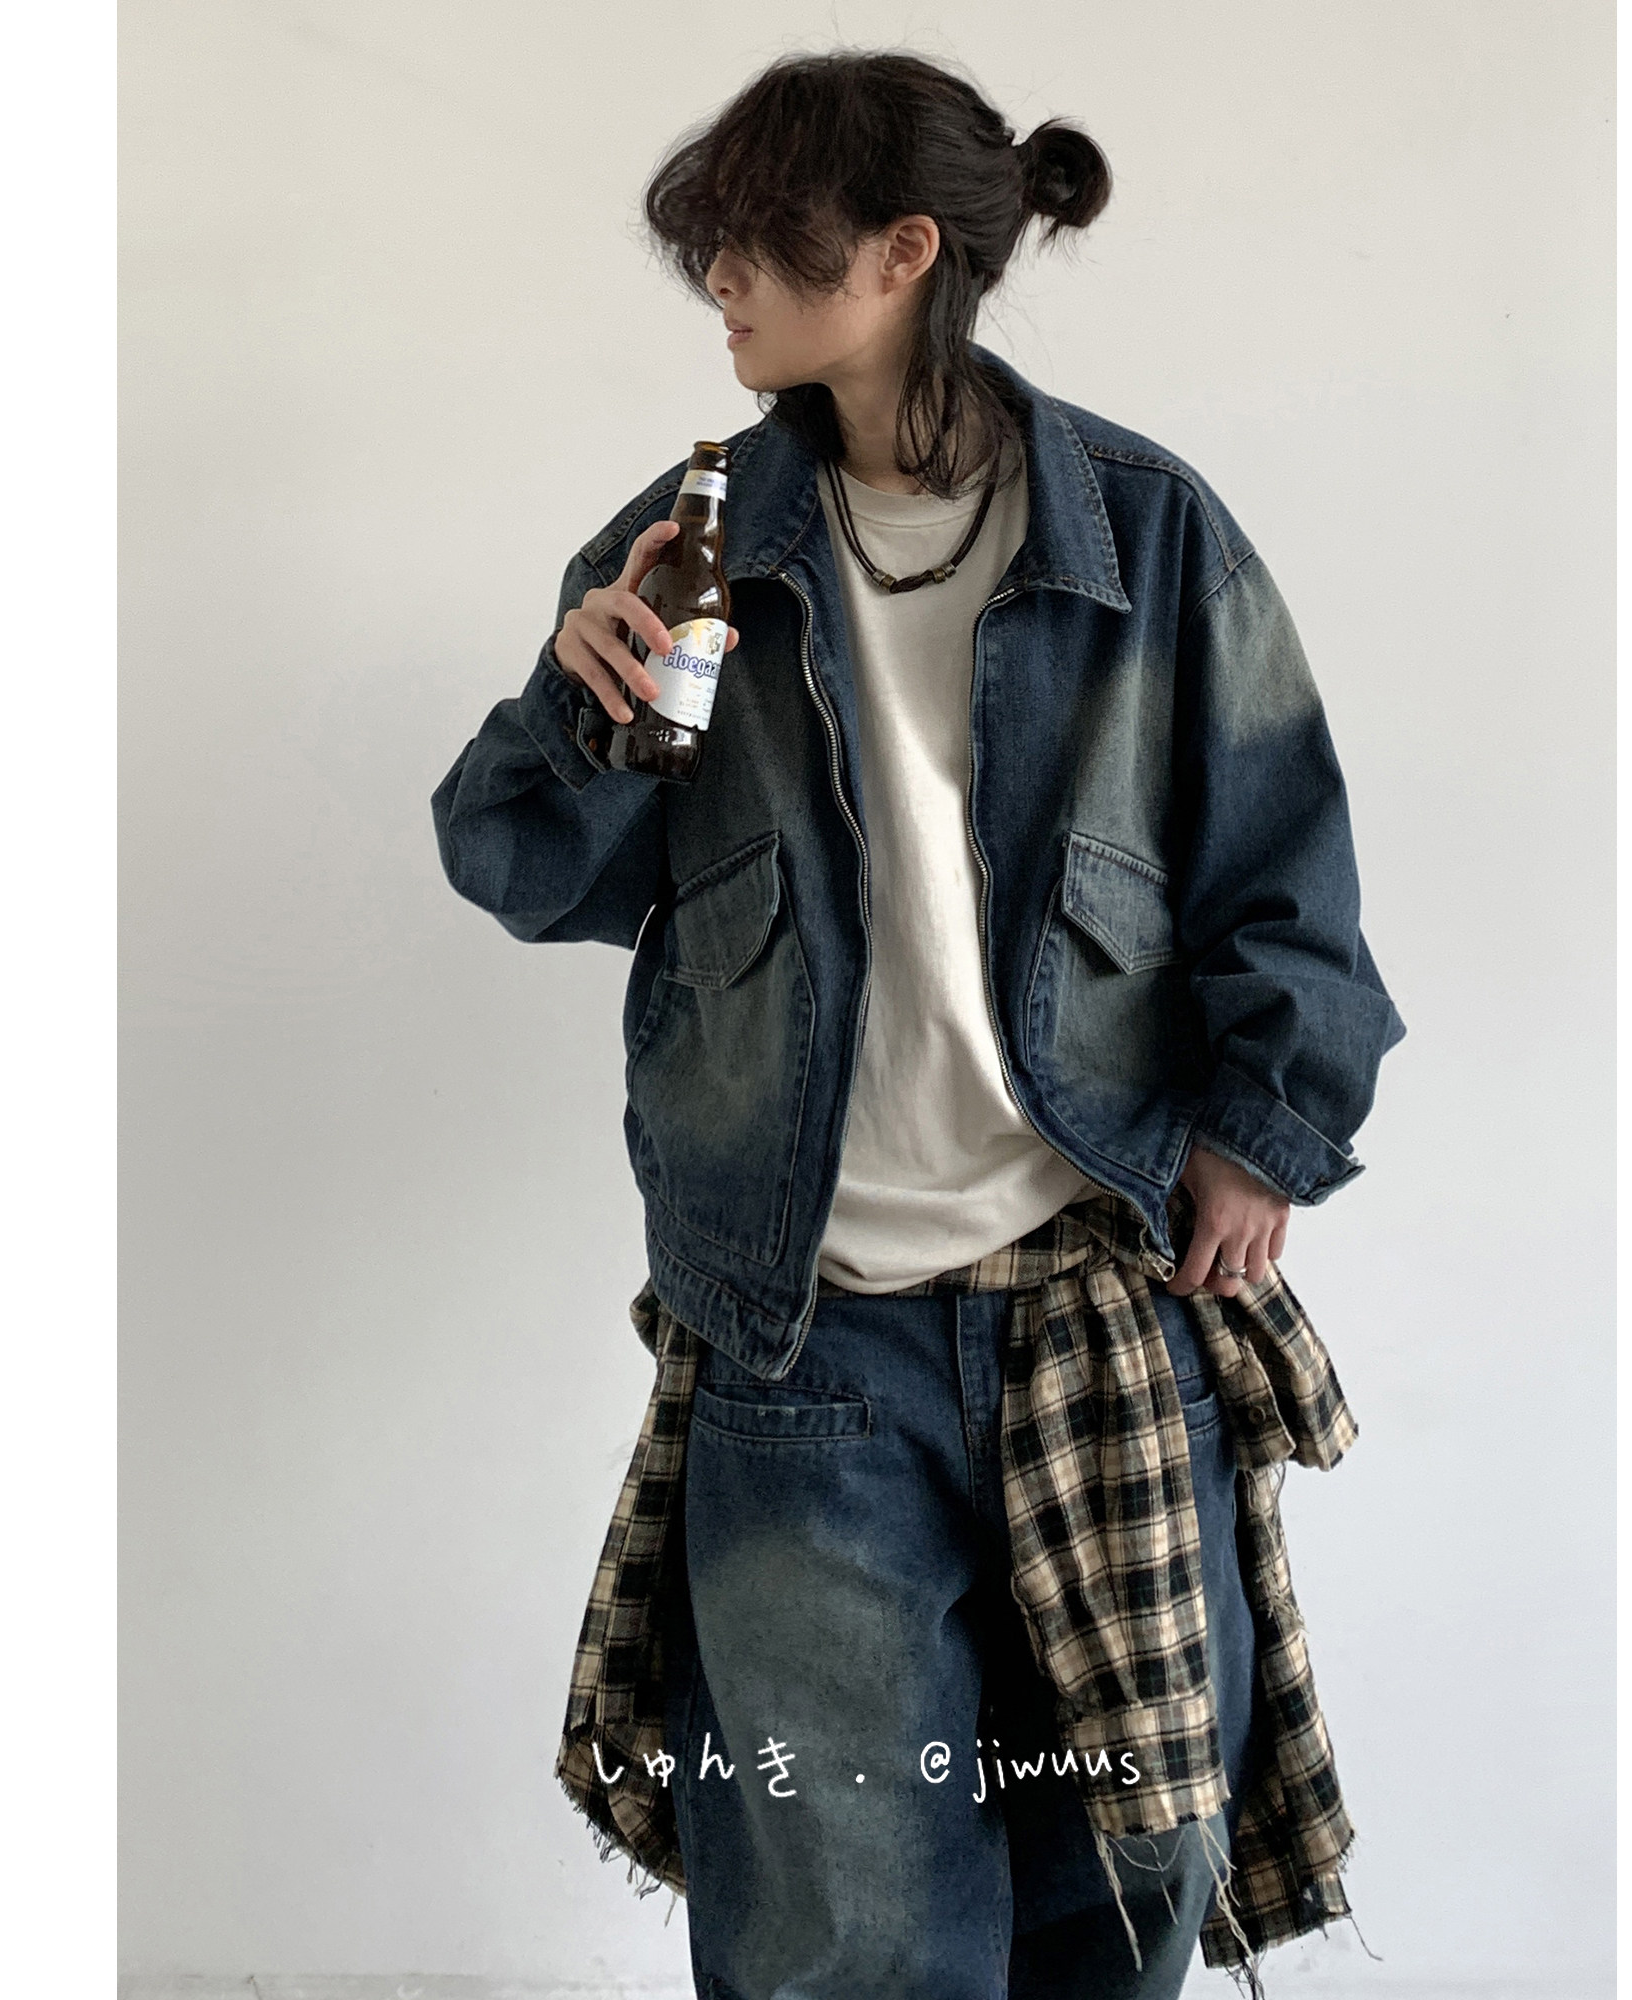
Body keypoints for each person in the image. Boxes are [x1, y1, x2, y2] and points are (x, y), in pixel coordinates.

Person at [432, 48, 1404, 2000]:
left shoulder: (1144, 532)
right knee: (845, 1930)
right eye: (706, 243)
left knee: (1119, 1882)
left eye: (752, 237)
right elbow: (522, 866)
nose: (716, 276)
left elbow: (1282, 859)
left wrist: (1263, 1132)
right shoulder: (693, 541)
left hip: (1100, 1304)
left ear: (903, 253)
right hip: (808, 1334)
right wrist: (571, 702)